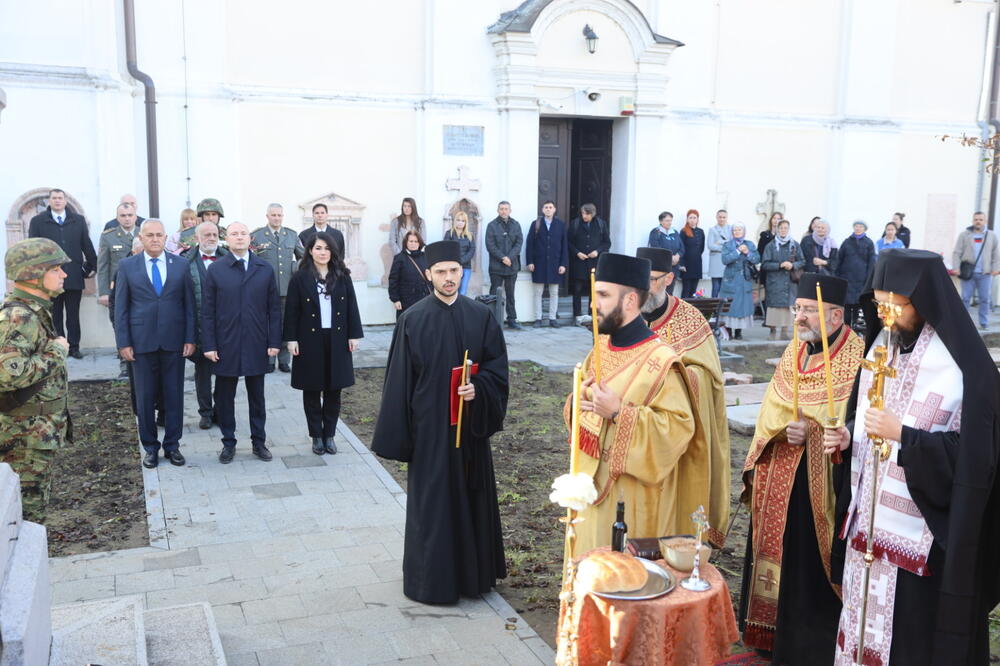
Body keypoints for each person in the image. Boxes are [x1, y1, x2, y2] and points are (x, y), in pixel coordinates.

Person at [829, 249, 1000, 665]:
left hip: (923, 540)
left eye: (896, 306)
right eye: (879, 304)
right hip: (867, 524)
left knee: (910, 640)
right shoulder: (880, 350)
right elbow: (867, 415)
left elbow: (976, 460)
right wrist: (850, 435)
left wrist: (904, 436)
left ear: (923, 303)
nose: (886, 316)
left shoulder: (964, 370)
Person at [371, 240, 509, 604]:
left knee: (471, 499)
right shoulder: (412, 319)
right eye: (442, 272)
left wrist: (479, 389)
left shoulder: (480, 317)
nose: (449, 278)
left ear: (461, 272)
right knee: (433, 508)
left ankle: (473, 579)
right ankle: (430, 582)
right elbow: (399, 382)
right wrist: (402, 437)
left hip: (471, 431)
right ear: (429, 274)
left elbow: (497, 370)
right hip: (430, 433)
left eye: (454, 271)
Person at [738, 274, 863, 663]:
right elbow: (771, 411)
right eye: (798, 309)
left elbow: (855, 421)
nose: (800, 318)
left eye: (810, 310)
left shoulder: (857, 357)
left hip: (822, 486)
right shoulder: (796, 350)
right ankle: (768, 633)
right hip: (779, 474)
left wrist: (811, 431)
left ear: (837, 314)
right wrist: (780, 433)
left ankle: (809, 644)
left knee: (809, 568)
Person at [566, 252, 705, 556]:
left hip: (634, 503)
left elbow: (678, 431)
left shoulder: (661, 361)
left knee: (622, 581)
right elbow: (581, 409)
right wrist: (578, 401)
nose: (592, 304)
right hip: (589, 488)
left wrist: (618, 413)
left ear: (629, 301)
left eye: (602, 295)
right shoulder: (601, 346)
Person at [637, 247, 730, 547]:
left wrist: (671, 378)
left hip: (678, 432)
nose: (644, 288)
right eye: (640, 280)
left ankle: (678, 543)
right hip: (638, 431)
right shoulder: (626, 318)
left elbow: (709, 379)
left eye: (651, 280)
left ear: (669, 279)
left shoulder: (691, 320)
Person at [114, 219, 195, 469]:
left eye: (159, 235)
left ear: (165, 236)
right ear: (141, 237)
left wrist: (190, 338)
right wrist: (123, 342)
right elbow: (121, 308)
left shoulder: (180, 265)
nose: (155, 239)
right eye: (150, 235)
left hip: (173, 342)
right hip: (141, 344)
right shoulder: (127, 266)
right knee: (145, 399)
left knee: (174, 397)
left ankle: (173, 446)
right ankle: (150, 448)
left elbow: (190, 306)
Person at [0, 238, 71, 522]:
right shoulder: (19, 316)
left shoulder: (33, 311)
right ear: (34, 274)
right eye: (56, 269)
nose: (63, 274)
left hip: (34, 436)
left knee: (29, 511)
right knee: (25, 516)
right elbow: (7, 374)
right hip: (24, 439)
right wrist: (57, 351)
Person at [201, 222, 281, 464]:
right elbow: (207, 311)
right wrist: (209, 344)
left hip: (257, 341)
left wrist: (274, 341)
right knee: (225, 396)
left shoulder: (264, 268)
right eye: (234, 234)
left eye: (243, 233)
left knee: (257, 396)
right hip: (226, 343)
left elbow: (274, 310)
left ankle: (259, 442)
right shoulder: (216, 270)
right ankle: (228, 442)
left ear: (250, 238)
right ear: (227, 239)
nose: (239, 237)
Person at [285, 232, 363, 455]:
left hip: (337, 338)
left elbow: (352, 307)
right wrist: (291, 339)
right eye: (318, 248)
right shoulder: (300, 277)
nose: (322, 252)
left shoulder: (342, 275)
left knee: (333, 389)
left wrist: (353, 335)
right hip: (309, 339)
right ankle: (316, 436)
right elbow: (291, 310)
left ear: (332, 252)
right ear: (310, 250)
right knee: (311, 389)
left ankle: (329, 435)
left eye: (327, 248)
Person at [28, 188, 97, 359]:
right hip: (49, 278)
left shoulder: (78, 220)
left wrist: (90, 267)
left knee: (73, 315)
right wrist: (37, 275)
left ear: (65, 201)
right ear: (49, 201)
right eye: (54, 198)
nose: (57, 201)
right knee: (55, 315)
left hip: (73, 275)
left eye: (60, 198)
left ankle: (74, 347)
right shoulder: (38, 221)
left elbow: (86, 245)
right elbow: (33, 249)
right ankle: (59, 347)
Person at [251, 203, 304, 373]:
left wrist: (295, 267)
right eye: (273, 215)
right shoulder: (257, 236)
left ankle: (283, 360)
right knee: (267, 325)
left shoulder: (291, 235)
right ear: (267, 216)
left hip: (287, 289)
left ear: (283, 216)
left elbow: (304, 257)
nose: (276, 218)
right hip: (264, 290)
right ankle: (268, 359)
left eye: (279, 215)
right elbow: (249, 261)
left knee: (285, 324)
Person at [187, 222, 228, 430]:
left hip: (226, 327)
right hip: (200, 327)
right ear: (197, 238)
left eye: (215, 234)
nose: (211, 237)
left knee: (225, 372)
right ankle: (205, 412)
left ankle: (221, 410)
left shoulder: (230, 259)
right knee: (202, 372)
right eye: (207, 234)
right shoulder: (186, 261)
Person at [98, 204, 140, 378]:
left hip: (140, 289)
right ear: (117, 218)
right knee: (120, 325)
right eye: (123, 215)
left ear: (135, 216)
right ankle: (124, 364)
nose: (127, 218)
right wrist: (103, 292)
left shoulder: (145, 233)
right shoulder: (109, 237)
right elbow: (103, 266)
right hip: (119, 290)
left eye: (130, 215)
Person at [950, 211, 1000, 330]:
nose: (978, 221)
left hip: (985, 273)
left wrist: (995, 268)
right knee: (965, 298)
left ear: (985, 221)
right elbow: (957, 252)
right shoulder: (964, 235)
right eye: (976, 219)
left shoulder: (991, 236)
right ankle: (963, 322)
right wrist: (956, 267)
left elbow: (996, 254)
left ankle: (984, 323)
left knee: (984, 299)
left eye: (981, 219)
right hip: (968, 273)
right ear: (973, 221)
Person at [525, 200, 568, 327]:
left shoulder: (560, 225)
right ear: (542, 210)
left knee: (554, 292)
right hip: (539, 263)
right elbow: (530, 245)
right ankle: (538, 318)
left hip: (555, 264)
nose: (548, 209)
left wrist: (563, 264)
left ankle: (552, 318)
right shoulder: (536, 224)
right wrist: (530, 262)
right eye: (546, 207)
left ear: (554, 209)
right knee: (538, 292)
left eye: (550, 207)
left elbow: (564, 245)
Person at [567, 203, 611, 325]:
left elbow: (607, 243)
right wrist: (577, 253)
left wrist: (597, 251)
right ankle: (577, 315)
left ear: (592, 214)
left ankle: (592, 314)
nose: (584, 216)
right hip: (579, 262)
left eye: (587, 214)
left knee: (594, 289)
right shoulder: (575, 224)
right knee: (577, 289)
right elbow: (568, 242)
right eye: (583, 213)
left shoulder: (601, 224)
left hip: (594, 263)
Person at [761, 220, 804, 341]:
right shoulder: (771, 245)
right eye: (781, 228)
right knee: (774, 308)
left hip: (790, 282)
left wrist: (793, 265)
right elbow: (765, 264)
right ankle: (773, 331)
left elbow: (802, 261)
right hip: (775, 282)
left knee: (788, 307)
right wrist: (779, 265)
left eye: (786, 228)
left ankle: (785, 331)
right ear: (777, 229)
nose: (783, 230)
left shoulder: (794, 244)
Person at [485, 201, 523, 329]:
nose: (504, 211)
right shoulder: (491, 225)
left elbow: (519, 243)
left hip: (512, 266)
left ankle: (512, 319)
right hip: (496, 267)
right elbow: (490, 245)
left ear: (510, 211)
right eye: (501, 209)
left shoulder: (516, 225)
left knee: (510, 294)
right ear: (498, 210)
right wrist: (502, 258)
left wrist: (509, 257)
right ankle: (491, 320)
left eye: (506, 209)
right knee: (494, 295)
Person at [718, 221, 760, 340]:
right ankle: (728, 330)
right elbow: (725, 260)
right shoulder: (727, 245)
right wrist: (737, 251)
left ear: (744, 232)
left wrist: (747, 252)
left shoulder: (750, 244)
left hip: (744, 280)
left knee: (742, 306)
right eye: (735, 230)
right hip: (731, 279)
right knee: (730, 305)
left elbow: (756, 259)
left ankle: (739, 331)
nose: (737, 232)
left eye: (739, 230)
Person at [837, 221, 877, 330]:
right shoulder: (846, 242)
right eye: (856, 226)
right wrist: (838, 276)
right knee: (846, 305)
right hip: (846, 278)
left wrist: (868, 279)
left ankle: (854, 329)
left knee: (856, 305)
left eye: (860, 226)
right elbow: (839, 259)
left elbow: (871, 262)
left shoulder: (869, 243)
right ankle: (845, 328)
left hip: (861, 279)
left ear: (864, 229)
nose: (858, 228)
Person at [388, 230, 430, 318]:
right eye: (411, 241)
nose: (413, 244)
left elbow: (431, 278)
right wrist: (395, 300)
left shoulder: (426, 257)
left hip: (424, 300)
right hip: (405, 302)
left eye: (416, 241)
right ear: (406, 242)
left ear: (419, 243)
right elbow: (393, 280)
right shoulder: (399, 258)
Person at [647, 211, 684, 295]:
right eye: (667, 220)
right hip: (661, 268)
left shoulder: (674, 232)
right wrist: (670, 257)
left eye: (670, 220)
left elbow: (682, 247)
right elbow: (655, 247)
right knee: (661, 292)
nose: (669, 223)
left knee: (670, 293)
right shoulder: (655, 232)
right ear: (661, 221)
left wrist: (678, 255)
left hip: (673, 267)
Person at [443, 211, 475, 295]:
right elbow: (446, 249)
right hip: (452, 267)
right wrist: (456, 262)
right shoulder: (449, 233)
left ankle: (461, 308)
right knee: (453, 290)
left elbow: (472, 250)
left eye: (463, 221)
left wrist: (461, 261)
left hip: (466, 267)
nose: (460, 222)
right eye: (458, 220)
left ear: (465, 223)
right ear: (455, 221)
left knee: (463, 291)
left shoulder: (470, 235)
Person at [679, 209, 705, 298]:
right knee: (686, 290)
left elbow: (702, 248)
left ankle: (692, 311)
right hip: (686, 265)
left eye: (694, 218)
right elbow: (680, 249)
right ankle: (683, 311)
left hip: (697, 264)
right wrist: (681, 264)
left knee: (694, 291)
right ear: (687, 219)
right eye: (690, 217)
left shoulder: (701, 232)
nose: (692, 220)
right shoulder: (683, 231)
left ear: (697, 219)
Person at [707, 209, 731, 298]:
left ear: (727, 218)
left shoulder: (731, 229)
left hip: (726, 261)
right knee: (715, 287)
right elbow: (710, 245)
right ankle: (713, 308)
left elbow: (731, 245)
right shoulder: (712, 229)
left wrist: (719, 242)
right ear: (716, 217)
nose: (722, 219)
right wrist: (725, 244)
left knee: (725, 287)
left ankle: (724, 308)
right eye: (720, 217)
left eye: (724, 217)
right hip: (715, 261)